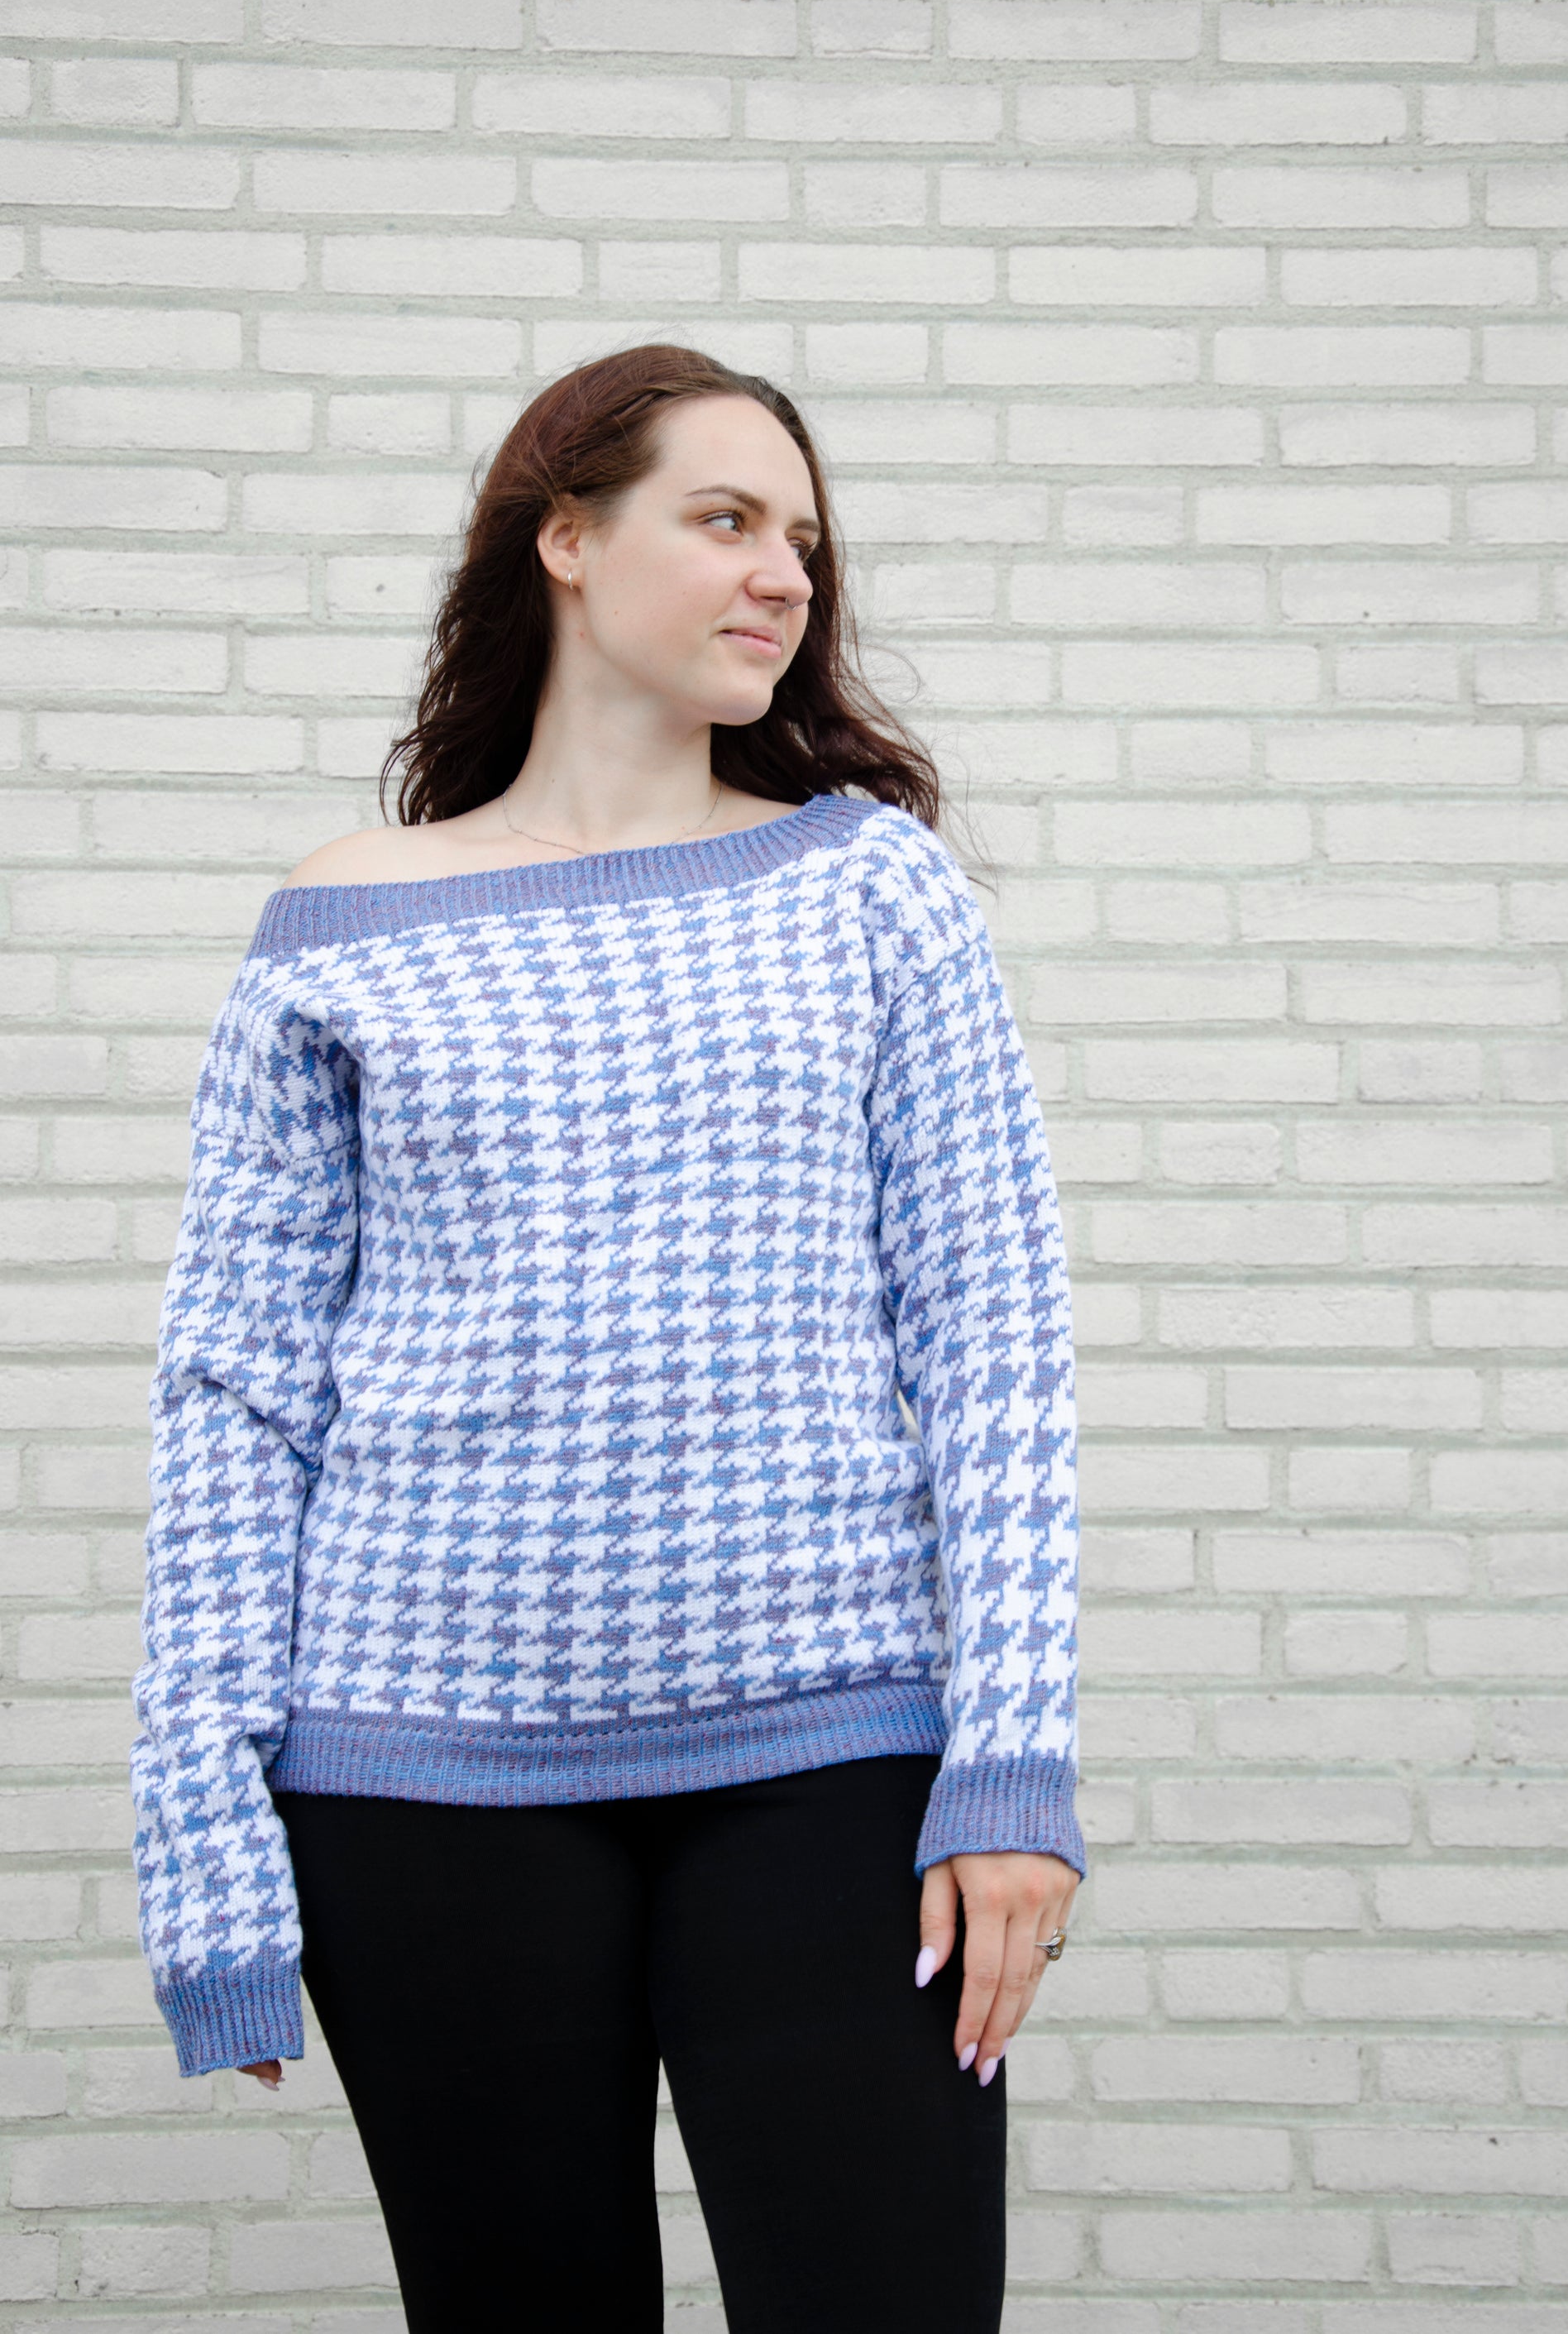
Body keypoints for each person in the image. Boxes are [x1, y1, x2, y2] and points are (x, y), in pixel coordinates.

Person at [131, 342, 1086, 2334]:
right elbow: (235, 1398)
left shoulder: (873, 890)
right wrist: (204, 1828)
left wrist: (1011, 1760)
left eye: (801, 537)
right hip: (418, 1776)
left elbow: (992, 1342)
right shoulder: (343, 925)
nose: (782, 573)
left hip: (832, 1752)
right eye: (724, 519)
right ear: (564, 539)